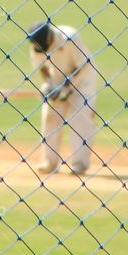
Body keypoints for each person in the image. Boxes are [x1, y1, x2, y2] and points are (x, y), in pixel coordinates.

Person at [26, 22, 98, 175]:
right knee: (50, 117)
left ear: (50, 36)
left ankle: (79, 164)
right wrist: (49, 85)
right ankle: (49, 162)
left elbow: (83, 65)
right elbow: (43, 68)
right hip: (57, 82)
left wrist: (67, 86)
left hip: (82, 82)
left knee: (80, 120)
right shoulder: (36, 44)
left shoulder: (69, 37)